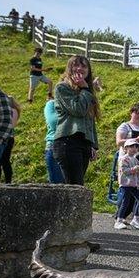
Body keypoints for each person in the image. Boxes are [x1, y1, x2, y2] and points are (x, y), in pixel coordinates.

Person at [52, 55, 100, 186]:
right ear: (69, 68)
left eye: (84, 66)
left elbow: (90, 120)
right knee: (75, 186)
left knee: (77, 186)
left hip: (83, 143)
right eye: (76, 65)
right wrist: (85, 89)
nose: (80, 68)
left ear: (88, 71)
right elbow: (78, 109)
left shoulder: (87, 92)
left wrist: (93, 145)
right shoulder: (62, 88)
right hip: (67, 141)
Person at [115, 103, 139, 204]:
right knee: (128, 188)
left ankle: (138, 213)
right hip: (127, 161)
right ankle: (121, 214)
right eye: (137, 113)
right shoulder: (125, 126)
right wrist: (136, 139)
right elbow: (118, 142)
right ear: (131, 113)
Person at [114, 138, 139, 230]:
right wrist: (136, 169)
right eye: (131, 146)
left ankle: (136, 219)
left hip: (135, 184)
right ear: (125, 148)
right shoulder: (123, 159)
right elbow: (125, 171)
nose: (134, 148)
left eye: (136, 147)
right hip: (126, 184)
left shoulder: (136, 160)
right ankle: (119, 220)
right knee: (125, 202)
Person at [0, 95, 20, 183]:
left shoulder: (13, 111)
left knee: (5, 160)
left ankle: (8, 181)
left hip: (8, 137)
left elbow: (12, 124)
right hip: (0, 138)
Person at [43, 98, 64, 183]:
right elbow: (54, 122)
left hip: (74, 147)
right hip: (54, 145)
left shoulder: (76, 104)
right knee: (57, 184)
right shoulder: (51, 104)